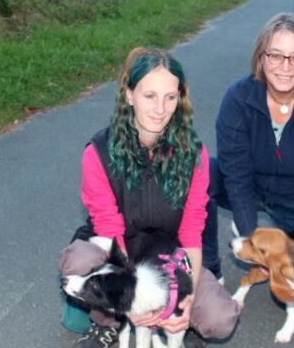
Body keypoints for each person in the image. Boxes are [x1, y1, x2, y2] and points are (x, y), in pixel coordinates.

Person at [58, 48, 240, 348]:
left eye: (170, 97)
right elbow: (109, 228)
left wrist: (186, 299)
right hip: (118, 251)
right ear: (129, 95)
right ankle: (109, 322)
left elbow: (192, 233)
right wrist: (134, 305)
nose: (160, 108)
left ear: (179, 99)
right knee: (78, 261)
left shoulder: (195, 155)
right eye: (149, 96)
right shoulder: (99, 152)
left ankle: (181, 324)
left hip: (167, 256)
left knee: (220, 320)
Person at [202, 12, 294, 280]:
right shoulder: (238, 99)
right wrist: (253, 241)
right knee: (199, 172)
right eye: (275, 55)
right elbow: (236, 175)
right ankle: (209, 269)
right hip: (249, 188)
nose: (285, 66)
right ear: (261, 58)